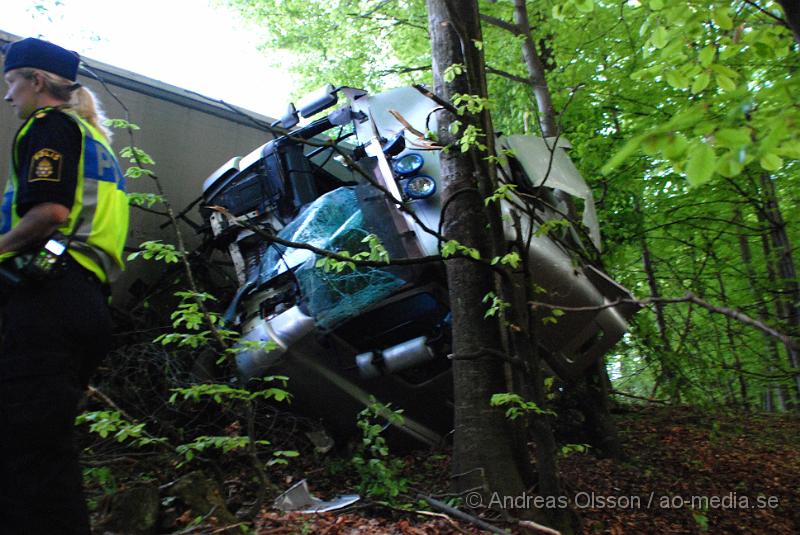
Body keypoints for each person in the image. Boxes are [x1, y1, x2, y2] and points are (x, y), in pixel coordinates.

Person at [0, 37, 129, 534]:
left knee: (30, 453)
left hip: (48, 298)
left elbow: (49, 212)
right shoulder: (94, 139)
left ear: (35, 82)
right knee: (40, 447)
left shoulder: (49, 126)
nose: (9, 96)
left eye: (12, 83)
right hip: (87, 301)